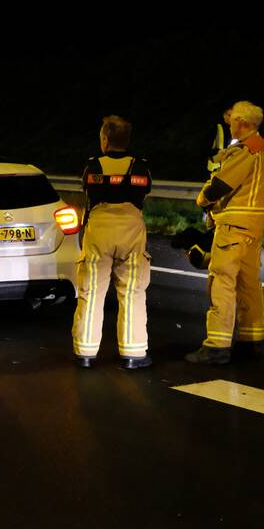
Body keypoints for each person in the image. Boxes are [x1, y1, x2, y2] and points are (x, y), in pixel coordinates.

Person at [186, 101, 264, 364]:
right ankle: (251, 340)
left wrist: (202, 200)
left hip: (234, 223)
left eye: (233, 120)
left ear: (244, 122)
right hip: (255, 223)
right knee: (250, 284)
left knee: (222, 281)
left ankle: (217, 345)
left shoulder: (245, 151)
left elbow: (220, 185)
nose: (230, 124)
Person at [71, 115, 153, 369]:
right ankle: (133, 354)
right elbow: (145, 191)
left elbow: (88, 188)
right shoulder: (140, 166)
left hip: (100, 229)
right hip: (131, 229)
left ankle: (85, 352)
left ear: (105, 139)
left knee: (91, 291)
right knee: (132, 292)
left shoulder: (92, 165)